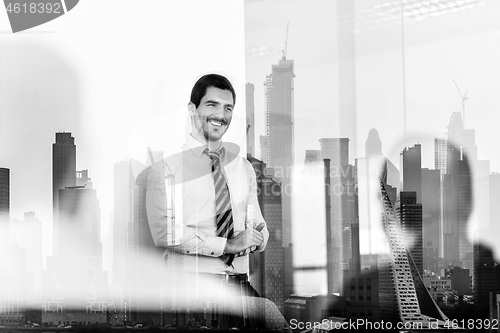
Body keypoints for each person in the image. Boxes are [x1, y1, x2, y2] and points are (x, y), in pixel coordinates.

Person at [145, 73, 269, 300]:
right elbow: (165, 232)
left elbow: (257, 222)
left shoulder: (242, 167)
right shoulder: (167, 169)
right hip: (191, 289)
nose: (221, 115)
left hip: (240, 286)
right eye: (212, 105)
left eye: (228, 108)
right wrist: (227, 245)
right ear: (192, 109)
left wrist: (258, 237)